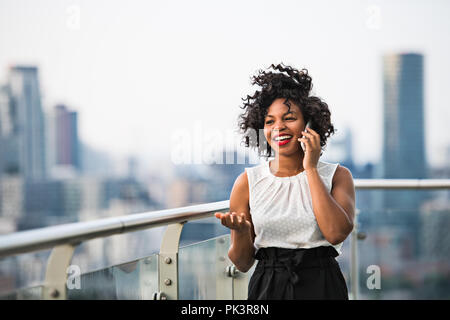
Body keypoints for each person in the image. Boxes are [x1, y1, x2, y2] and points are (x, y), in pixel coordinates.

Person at [214, 63, 355, 300]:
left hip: (322, 285)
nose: (278, 127)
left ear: (309, 123)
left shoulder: (338, 176)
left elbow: (336, 233)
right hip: (268, 287)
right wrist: (241, 232)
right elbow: (242, 263)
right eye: (269, 121)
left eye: (289, 118)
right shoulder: (248, 182)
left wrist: (310, 168)